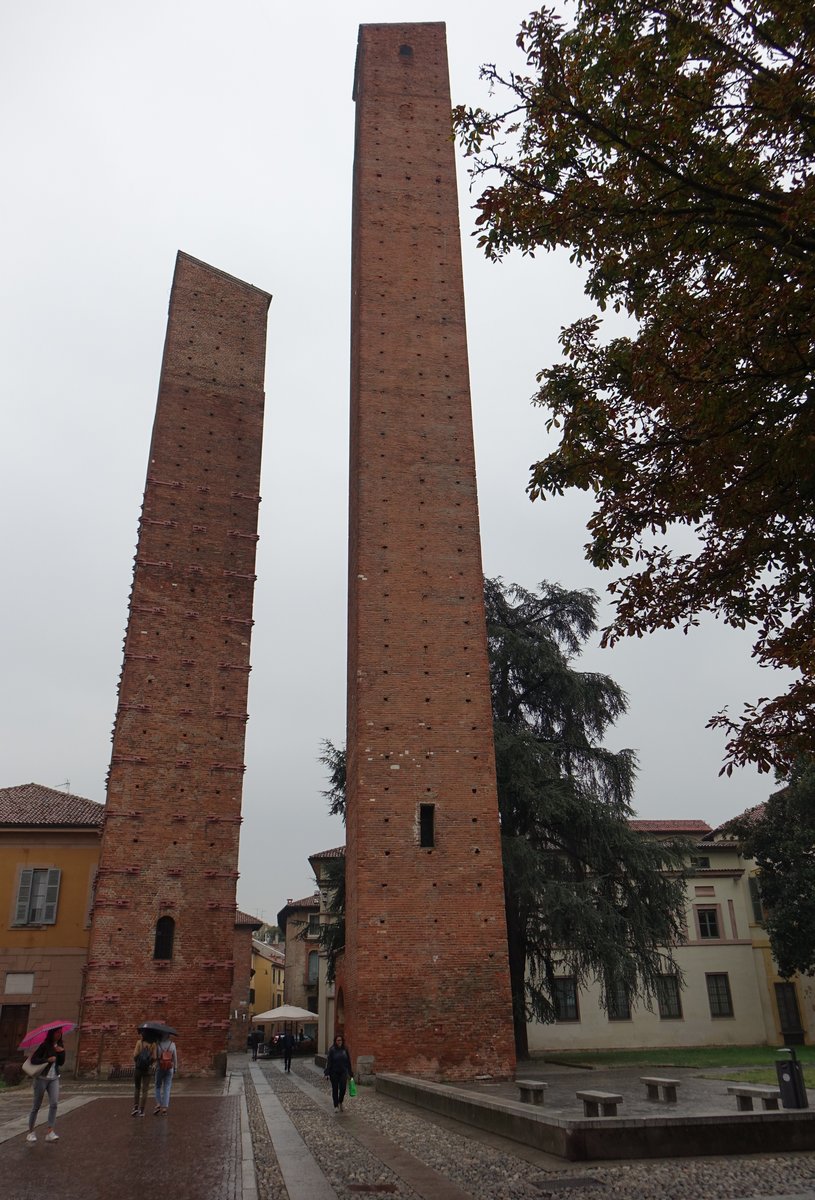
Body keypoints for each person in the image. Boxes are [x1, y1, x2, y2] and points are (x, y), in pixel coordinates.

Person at [26, 1028, 66, 1142]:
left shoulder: (60, 1045)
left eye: (60, 1033)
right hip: (42, 1078)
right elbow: (34, 1060)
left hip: (54, 1078)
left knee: (54, 1104)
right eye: (57, 1033)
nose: (58, 1035)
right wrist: (47, 1059)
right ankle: (30, 1132)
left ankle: (50, 1131)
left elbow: (61, 1063)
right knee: (36, 1106)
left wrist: (61, 1052)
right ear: (52, 1034)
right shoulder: (44, 1045)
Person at [324, 1033, 353, 1113]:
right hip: (334, 1072)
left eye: (340, 1040)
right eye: (337, 1040)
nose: (339, 1042)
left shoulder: (345, 1050)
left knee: (343, 1088)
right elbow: (329, 1062)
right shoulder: (332, 1050)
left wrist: (350, 1073)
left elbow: (348, 1062)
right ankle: (336, 1105)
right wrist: (327, 1073)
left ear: (342, 1041)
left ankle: (340, 1101)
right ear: (335, 1041)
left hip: (343, 1072)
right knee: (335, 1089)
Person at [132, 1031, 156, 1116]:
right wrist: (149, 1062)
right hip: (147, 1070)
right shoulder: (153, 1044)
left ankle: (135, 1108)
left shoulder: (139, 1043)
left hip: (138, 1069)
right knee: (145, 1090)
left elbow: (135, 1055)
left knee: (137, 1088)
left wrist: (138, 1061)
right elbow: (154, 1057)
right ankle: (142, 1111)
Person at [153, 1035, 177, 1115]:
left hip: (160, 1067)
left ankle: (159, 1103)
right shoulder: (172, 1044)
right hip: (169, 1067)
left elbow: (155, 1057)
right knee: (167, 1087)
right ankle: (165, 1108)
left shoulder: (158, 1044)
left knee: (157, 1086)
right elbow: (175, 1058)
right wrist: (175, 1068)